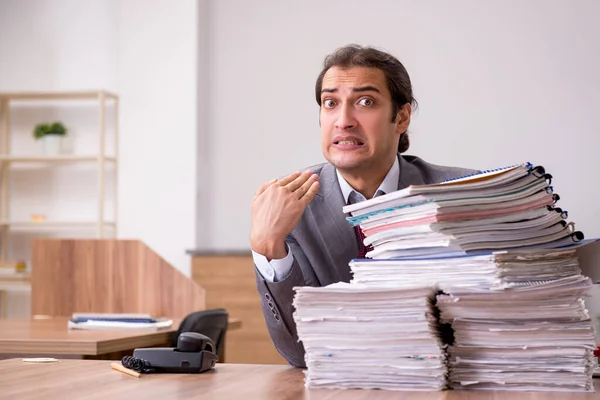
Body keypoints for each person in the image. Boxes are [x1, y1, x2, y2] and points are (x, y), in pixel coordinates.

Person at [250, 44, 476, 368]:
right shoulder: (289, 207)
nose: (343, 120)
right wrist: (267, 247)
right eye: (330, 103)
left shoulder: (465, 195)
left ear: (401, 116)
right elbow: (300, 352)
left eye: (365, 102)